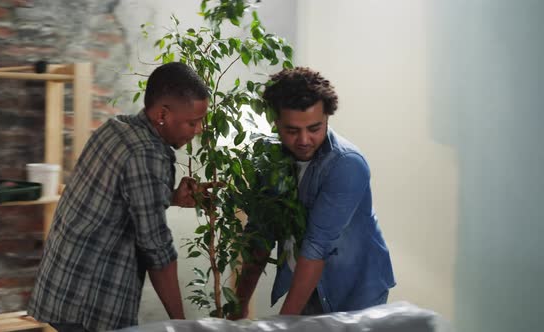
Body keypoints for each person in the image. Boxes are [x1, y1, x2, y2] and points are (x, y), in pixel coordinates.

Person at [28, 62, 210, 331]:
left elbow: (116, 198)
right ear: (162, 114)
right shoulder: (147, 154)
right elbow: (156, 248)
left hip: (61, 285)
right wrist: (181, 323)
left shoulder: (116, 128)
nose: (198, 130)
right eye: (192, 122)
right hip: (88, 298)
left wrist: (169, 197)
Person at [233, 67, 395, 318]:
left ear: (327, 118)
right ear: (275, 121)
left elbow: (316, 247)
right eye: (292, 130)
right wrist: (238, 307)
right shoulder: (269, 158)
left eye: (314, 128)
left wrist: (283, 325)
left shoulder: (347, 165)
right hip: (307, 281)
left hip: (356, 289)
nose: (304, 140)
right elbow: (260, 235)